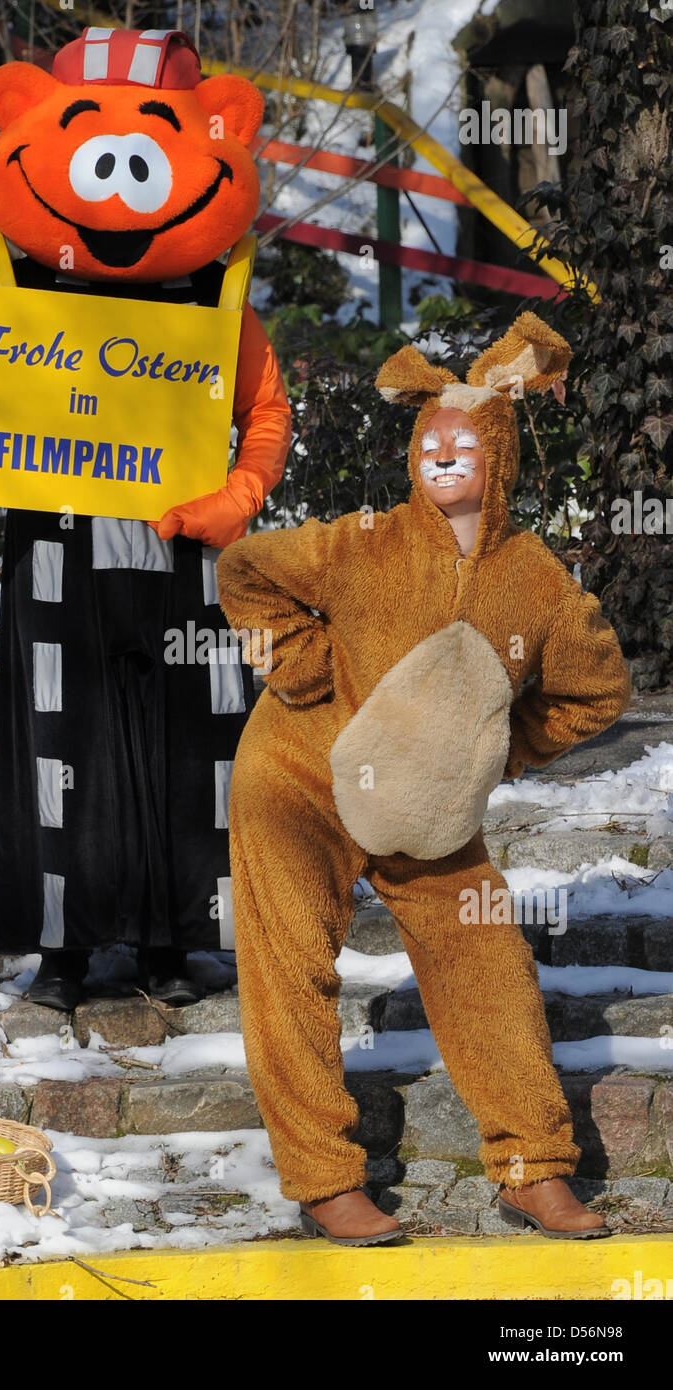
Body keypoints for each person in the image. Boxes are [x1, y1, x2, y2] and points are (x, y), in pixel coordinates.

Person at [0, 27, 291, 1011]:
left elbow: (264, 409)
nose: (119, 168)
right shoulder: (24, 297)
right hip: (57, 557)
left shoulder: (213, 297)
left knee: (190, 746)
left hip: (181, 552)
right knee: (61, 741)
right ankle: (61, 947)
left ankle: (173, 940)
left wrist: (242, 492)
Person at [216, 312, 631, 1243]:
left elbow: (597, 692)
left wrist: (495, 749)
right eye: (431, 444)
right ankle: (325, 1179)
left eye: (465, 446)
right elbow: (243, 568)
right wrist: (300, 664)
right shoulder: (361, 541)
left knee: (488, 963)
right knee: (289, 968)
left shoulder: (537, 582)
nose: (444, 459)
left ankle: (533, 1167)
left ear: (501, 455)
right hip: (298, 777)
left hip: (425, 813)